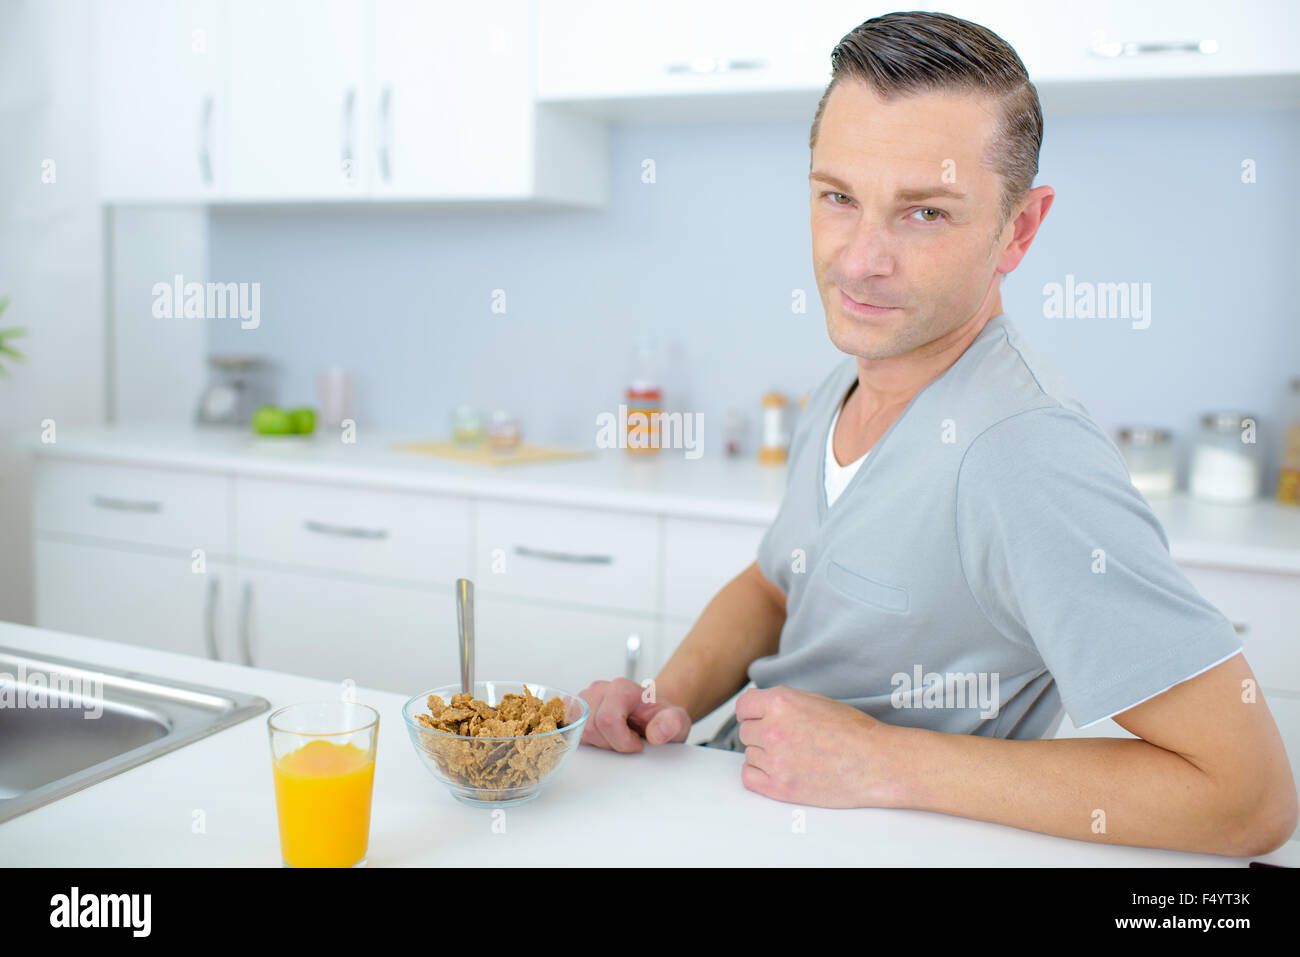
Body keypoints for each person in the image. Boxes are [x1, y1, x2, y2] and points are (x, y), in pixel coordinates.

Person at [578, 10, 1297, 856]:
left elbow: (1248, 796)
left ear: (1019, 229)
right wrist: (666, 698)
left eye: (924, 213)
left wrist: (883, 760)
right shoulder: (852, 376)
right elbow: (779, 587)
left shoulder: (1024, 457)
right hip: (741, 811)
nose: (858, 260)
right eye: (839, 197)